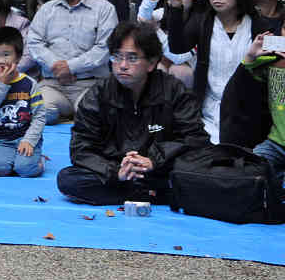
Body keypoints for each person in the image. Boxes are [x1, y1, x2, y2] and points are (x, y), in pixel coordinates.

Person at [57, 22, 209, 205]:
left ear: (151, 63)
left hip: (159, 168)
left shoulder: (173, 90)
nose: (122, 65)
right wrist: (116, 172)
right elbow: (81, 147)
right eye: (117, 57)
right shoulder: (98, 94)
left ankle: (136, 192)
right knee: (68, 179)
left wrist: (154, 161)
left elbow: (195, 138)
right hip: (118, 171)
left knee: (202, 174)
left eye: (132, 58)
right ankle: (152, 194)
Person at [164, 0, 271, 143]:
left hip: (246, 111)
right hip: (208, 108)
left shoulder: (258, 25)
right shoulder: (203, 21)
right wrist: (175, 6)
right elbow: (177, 48)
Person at [26, 0, 119, 123]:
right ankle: (68, 114)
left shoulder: (104, 9)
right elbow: (33, 42)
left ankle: (75, 114)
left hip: (90, 84)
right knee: (40, 111)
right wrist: (56, 65)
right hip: (53, 84)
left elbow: (104, 49)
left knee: (90, 114)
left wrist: (70, 67)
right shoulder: (47, 9)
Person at [230, 2, 285, 191]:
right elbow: (241, 85)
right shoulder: (271, 61)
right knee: (247, 168)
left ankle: (282, 173)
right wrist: (251, 55)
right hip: (276, 142)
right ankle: (279, 171)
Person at [0, 27, 46, 177]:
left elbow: (40, 116)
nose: (0, 60)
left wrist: (29, 141)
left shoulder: (29, 83)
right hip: (3, 141)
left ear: (18, 57)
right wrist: (3, 84)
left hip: (26, 137)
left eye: (6, 55)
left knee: (25, 169)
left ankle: (39, 160)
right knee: (1, 169)